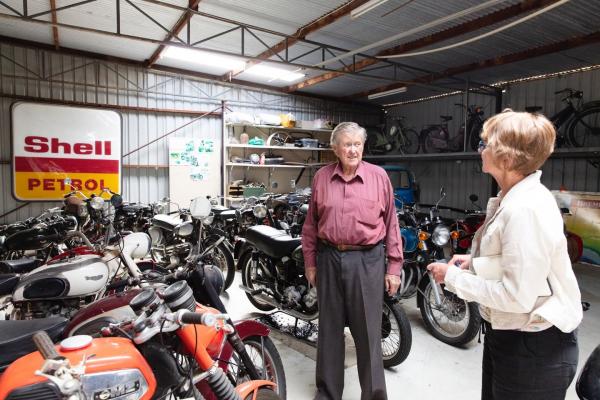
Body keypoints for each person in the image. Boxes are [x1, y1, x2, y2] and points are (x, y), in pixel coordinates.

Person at [427, 109, 582, 400]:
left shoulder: (524, 209)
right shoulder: (515, 198)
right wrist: (475, 263)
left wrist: (454, 278)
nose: (480, 148)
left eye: (486, 143)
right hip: (514, 336)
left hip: (533, 349)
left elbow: (516, 296)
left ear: (507, 159)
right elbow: (521, 262)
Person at [301, 122, 403, 400]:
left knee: (368, 332)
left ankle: (373, 394)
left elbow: (391, 224)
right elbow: (311, 224)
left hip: (367, 261)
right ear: (335, 149)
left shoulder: (379, 177)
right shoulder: (322, 177)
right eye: (347, 144)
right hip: (329, 257)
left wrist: (394, 267)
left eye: (357, 144)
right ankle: (328, 393)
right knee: (329, 331)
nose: (353, 150)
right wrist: (310, 261)